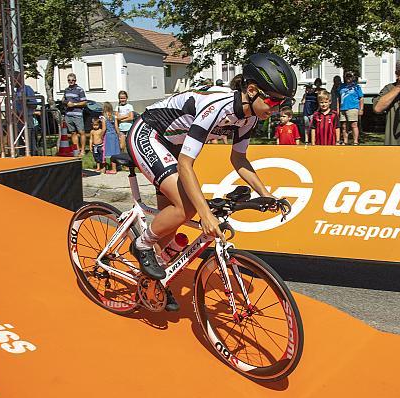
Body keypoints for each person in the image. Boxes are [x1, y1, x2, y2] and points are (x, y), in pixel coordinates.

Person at [126, 52, 296, 310]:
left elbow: (239, 160)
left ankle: (153, 281)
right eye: (273, 101)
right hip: (149, 134)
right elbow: (186, 164)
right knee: (189, 208)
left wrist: (267, 194)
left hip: (173, 145)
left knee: (172, 221)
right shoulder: (218, 106)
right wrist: (205, 214)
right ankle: (141, 244)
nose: (276, 109)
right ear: (251, 90)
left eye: (282, 104)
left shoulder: (249, 117)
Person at [62, 73, 87, 155]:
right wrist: (65, 102)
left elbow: (84, 102)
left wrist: (74, 104)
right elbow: (63, 100)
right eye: (69, 80)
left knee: (81, 132)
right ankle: (76, 149)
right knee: (73, 132)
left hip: (77, 114)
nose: (71, 81)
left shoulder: (80, 90)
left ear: (75, 80)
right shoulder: (66, 90)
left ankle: (83, 150)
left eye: (72, 80)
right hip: (68, 114)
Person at [14, 71, 37, 155]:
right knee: (19, 139)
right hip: (18, 119)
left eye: (13, 79)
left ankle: (32, 154)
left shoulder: (27, 89)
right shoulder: (15, 91)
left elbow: (34, 104)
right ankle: (21, 154)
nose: (11, 82)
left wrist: (24, 101)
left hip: (27, 118)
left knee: (29, 138)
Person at [338, 71, 364, 145]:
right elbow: (338, 98)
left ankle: (355, 141)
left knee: (353, 125)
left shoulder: (356, 87)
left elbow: (361, 98)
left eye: (350, 76)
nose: (348, 78)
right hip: (343, 108)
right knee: (343, 126)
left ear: (353, 77)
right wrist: (338, 108)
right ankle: (345, 141)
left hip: (353, 107)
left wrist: (361, 109)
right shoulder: (341, 86)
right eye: (347, 76)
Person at [101, 102, 121, 174]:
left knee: (110, 152)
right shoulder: (114, 116)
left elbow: (104, 129)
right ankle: (116, 166)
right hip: (114, 135)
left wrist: (101, 136)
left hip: (108, 136)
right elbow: (116, 127)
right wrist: (119, 135)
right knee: (115, 152)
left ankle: (113, 169)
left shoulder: (104, 118)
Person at [330, 75, 342, 143]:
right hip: (334, 108)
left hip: (339, 108)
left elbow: (338, 100)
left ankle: (338, 138)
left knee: (339, 124)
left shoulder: (340, 88)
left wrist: (338, 109)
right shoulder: (333, 88)